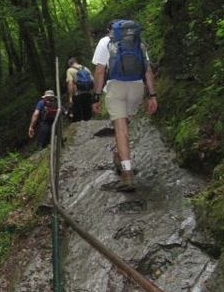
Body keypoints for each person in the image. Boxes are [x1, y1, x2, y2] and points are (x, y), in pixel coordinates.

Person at [91, 20, 158, 192]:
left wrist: (96, 96)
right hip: (136, 88)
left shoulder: (105, 42)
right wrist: (152, 96)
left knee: (121, 130)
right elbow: (148, 70)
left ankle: (127, 175)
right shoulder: (138, 42)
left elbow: (99, 71)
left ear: (110, 30)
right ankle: (120, 156)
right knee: (125, 126)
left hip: (116, 87)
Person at [66, 57, 94, 122]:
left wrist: (70, 97)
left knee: (77, 117)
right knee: (88, 116)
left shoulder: (70, 70)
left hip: (77, 95)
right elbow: (93, 81)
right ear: (76, 62)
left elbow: (70, 83)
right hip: (88, 94)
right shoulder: (86, 69)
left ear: (70, 64)